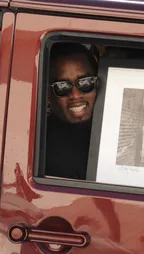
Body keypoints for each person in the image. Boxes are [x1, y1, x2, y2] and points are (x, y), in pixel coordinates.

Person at [45, 42, 99, 180]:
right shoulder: (50, 152)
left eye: (85, 82)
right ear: (48, 92)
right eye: (62, 86)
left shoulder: (111, 128)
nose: (75, 95)